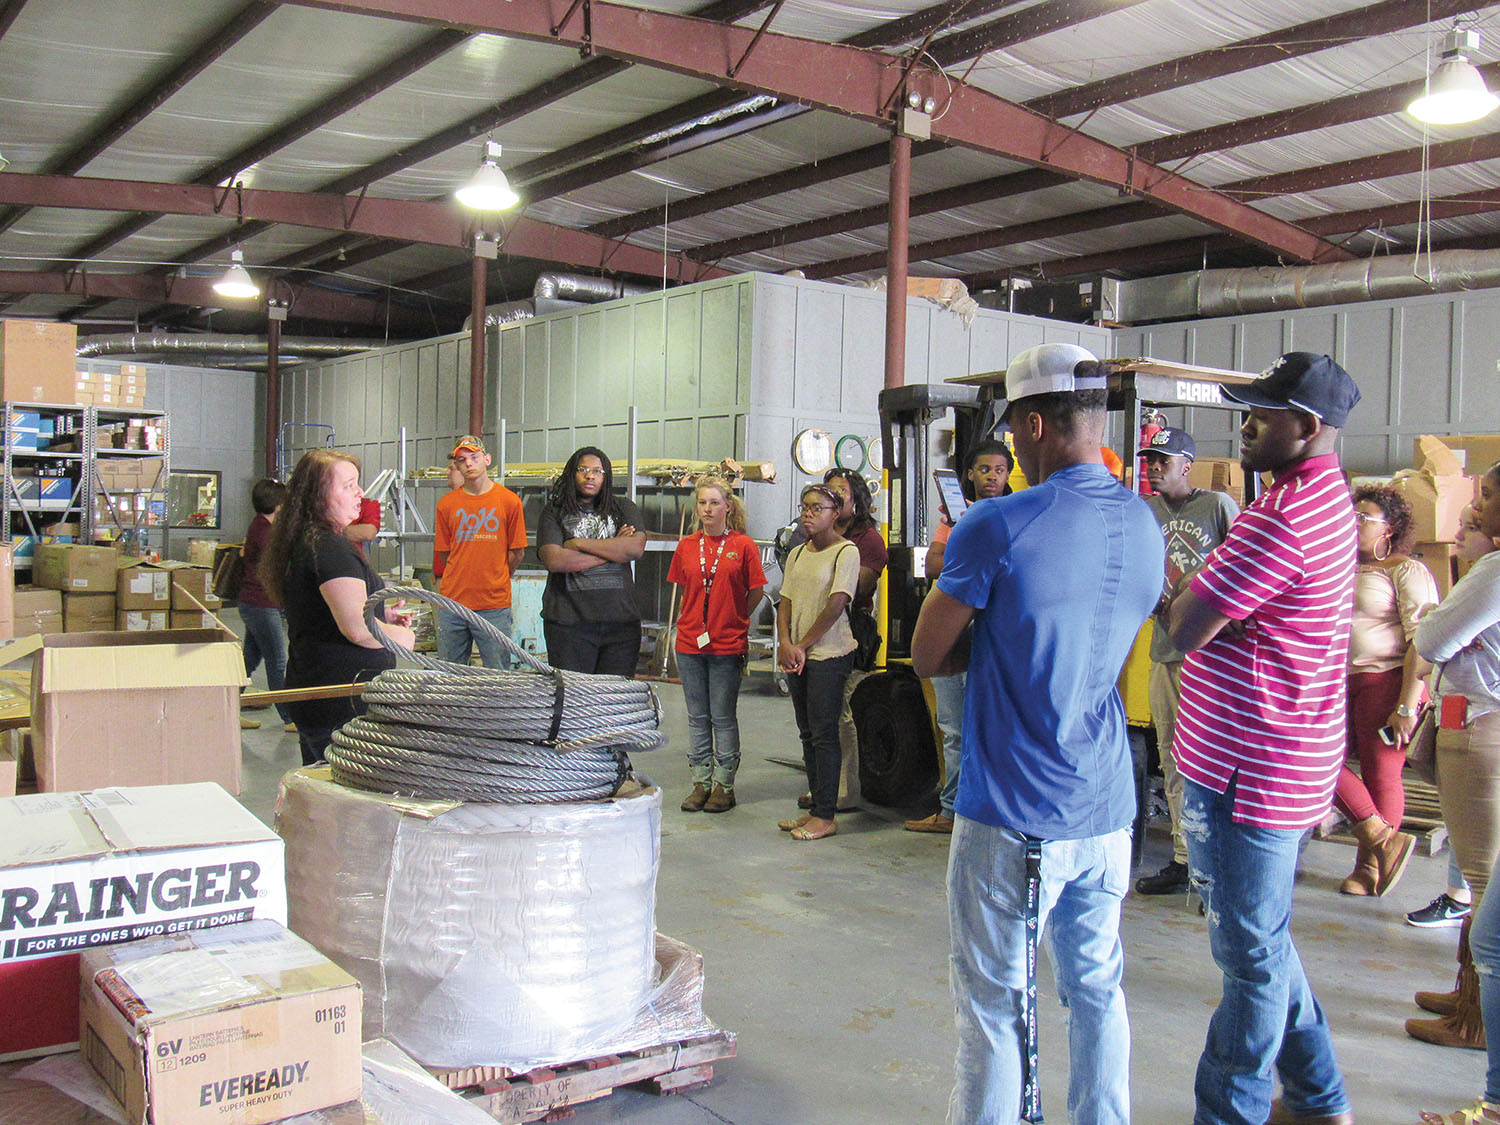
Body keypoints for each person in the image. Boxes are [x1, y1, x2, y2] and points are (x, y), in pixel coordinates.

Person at [911, 342, 1163, 1124]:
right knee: (1095, 987)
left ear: (1035, 422)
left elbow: (926, 653)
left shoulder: (1000, 521)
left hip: (1018, 811)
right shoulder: (1144, 521)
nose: (1009, 451)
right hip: (1108, 805)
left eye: (1015, 435)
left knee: (994, 1000)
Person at [1166, 351, 1362, 1125]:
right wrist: (1206, 589)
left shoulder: (1283, 517)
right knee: (1266, 944)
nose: (1244, 427)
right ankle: (1320, 1098)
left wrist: (1185, 590)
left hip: (1249, 771)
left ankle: (1231, 1112)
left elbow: (1183, 629)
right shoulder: (1321, 498)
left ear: (1307, 426)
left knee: (1249, 959)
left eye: (1260, 416)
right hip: (1278, 758)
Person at [1407, 467, 1500, 1055]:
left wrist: (1432, 625)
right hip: (1481, 720)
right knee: (1478, 870)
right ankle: (1467, 993)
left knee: (1481, 875)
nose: (1473, 509)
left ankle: (1478, 1016)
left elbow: (1433, 640)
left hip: (1478, 725)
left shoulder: (1494, 571)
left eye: (1487, 497)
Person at [1133, 427, 1239, 896]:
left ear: (1186, 466)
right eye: (1150, 459)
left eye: (1163, 459)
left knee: (1216, 761)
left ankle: (1221, 863)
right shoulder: (1144, 512)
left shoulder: (1216, 507)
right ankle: (1184, 858)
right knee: (1174, 759)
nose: (1154, 467)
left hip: (1213, 657)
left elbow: (1240, 570)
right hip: (1165, 650)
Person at [262, 449, 416, 767]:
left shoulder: (310, 541)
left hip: (322, 696)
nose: (359, 493)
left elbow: (323, 612)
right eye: (348, 486)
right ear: (318, 496)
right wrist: (402, 639)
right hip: (340, 705)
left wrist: (381, 617)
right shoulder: (330, 548)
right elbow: (357, 628)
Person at [905, 439, 1013, 836]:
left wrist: (968, 557)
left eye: (999, 470)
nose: (992, 477)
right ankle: (952, 809)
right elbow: (932, 562)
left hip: (992, 635)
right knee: (953, 726)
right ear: (969, 474)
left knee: (991, 725)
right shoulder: (955, 517)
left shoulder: (1013, 514)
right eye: (984, 469)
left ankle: (985, 811)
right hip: (955, 629)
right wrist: (974, 551)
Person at [1331, 485, 1435, 896]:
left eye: (1364, 519)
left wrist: (1408, 704)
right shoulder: (1338, 566)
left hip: (1388, 681)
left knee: (1381, 775)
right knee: (1316, 760)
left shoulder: (1405, 570)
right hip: (1338, 683)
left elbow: (1423, 641)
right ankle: (1384, 841)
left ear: (1389, 529)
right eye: (1351, 516)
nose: (1353, 524)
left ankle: (1370, 868)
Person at [670, 476, 766, 814]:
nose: (707, 509)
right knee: (697, 717)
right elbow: (687, 591)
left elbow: (755, 590)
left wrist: (737, 618)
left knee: (722, 716)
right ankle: (700, 781)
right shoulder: (686, 546)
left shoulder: (743, 546)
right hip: (689, 644)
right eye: (702, 503)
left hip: (727, 644)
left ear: (728, 506)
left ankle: (724, 785)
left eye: (714, 503)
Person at [795, 466, 886, 811]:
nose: (834, 496)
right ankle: (823, 789)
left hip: (847, 632)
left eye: (842, 493)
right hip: (809, 635)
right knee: (815, 724)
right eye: (827, 492)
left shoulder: (864, 542)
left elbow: (853, 589)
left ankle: (845, 791)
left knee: (838, 714)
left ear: (854, 500)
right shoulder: (810, 542)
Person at [777, 483, 861, 842]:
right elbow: (786, 602)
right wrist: (784, 643)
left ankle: (827, 815)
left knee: (825, 733)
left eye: (818, 508)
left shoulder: (846, 553)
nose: (809, 514)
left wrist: (803, 645)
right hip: (798, 653)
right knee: (807, 731)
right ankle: (816, 807)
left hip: (829, 654)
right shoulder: (797, 554)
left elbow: (837, 603)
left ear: (836, 513)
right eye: (805, 507)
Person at [537, 446, 646, 676]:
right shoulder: (555, 511)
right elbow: (555, 560)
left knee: (616, 702)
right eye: (583, 470)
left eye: (598, 471)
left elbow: (635, 548)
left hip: (621, 626)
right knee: (574, 702)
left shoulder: (624, 508)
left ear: (606, 476)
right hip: (569, 626)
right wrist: (613, 548)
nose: (590, 476)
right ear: (572, 473)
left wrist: (578, 543)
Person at [433, 435, 527, 669]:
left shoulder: (509, 501)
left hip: (494, 604)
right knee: (449, 675)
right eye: (462, 460)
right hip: (453, 603)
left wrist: (497, 576)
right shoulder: (446, 505)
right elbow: (446, 555)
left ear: (487, 459)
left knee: (498, 676)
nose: (469, 464)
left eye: (474, 457)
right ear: (456, 465)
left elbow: (517, 552)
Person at [239, 477, 294, 733]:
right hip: (261, 604)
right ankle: (290, 717)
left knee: (248, 661)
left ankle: (226, 709)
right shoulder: (265, 532)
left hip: (256, 603)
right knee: (277, 660)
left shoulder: (262, 526)